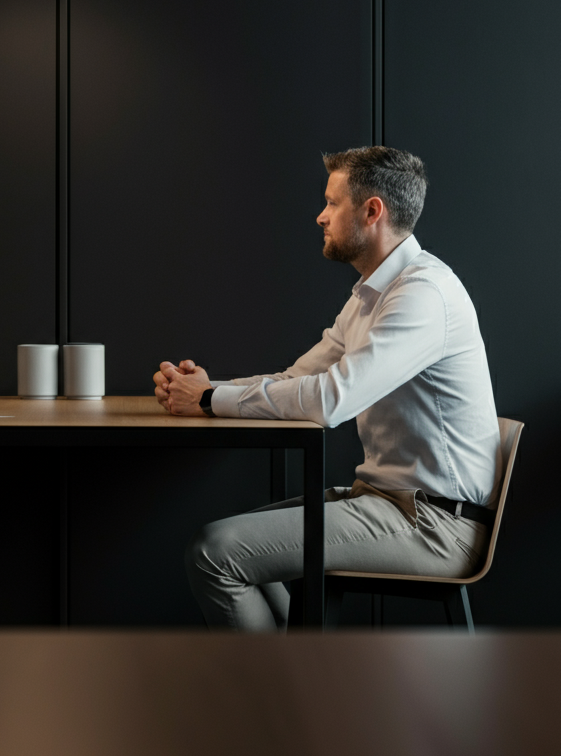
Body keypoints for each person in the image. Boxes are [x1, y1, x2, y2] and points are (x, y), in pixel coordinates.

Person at [154, 146, 500, 631]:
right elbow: (299, 379)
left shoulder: (423, 294)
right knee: (235, 547)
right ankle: (297, 693)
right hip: (384, 501)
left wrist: (209, 401)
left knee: (215, 553)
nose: (320, 216)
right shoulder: (370, 296)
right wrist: (207, 388)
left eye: (332, 203)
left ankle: (282, 703)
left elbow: (330, 399)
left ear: (372, 210)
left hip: (435, 525)